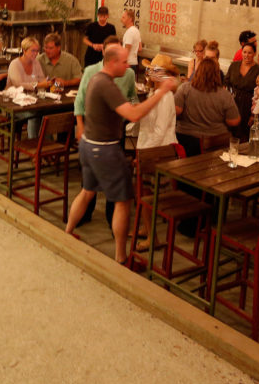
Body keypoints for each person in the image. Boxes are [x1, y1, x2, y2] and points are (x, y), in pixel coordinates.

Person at [64, 44, 176, 265]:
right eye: (124, 62)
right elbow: (133, 114)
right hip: (104, 149)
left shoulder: (97, 78)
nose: (128, 65)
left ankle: (66, 234)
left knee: (87, 191)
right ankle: (121, 258)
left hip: (88, 144)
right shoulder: (106, 85)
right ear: (112, 62)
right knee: (123, 202)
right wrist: (162, 92)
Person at [73, 35, 138, 228]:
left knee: (114, 187)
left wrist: (129, 111)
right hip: (95, 133)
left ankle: (112, 221)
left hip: (115, 131)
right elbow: (80, 99)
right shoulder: (93, 71)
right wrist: (80, 125)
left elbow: (132, 98)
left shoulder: (128, 74)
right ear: (106, 54)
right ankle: (85, 215)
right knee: (89, 185)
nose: (123, 62)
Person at [174, 57, 240, 156]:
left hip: (185, 139)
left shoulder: (184, 88)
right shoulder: (224, 95)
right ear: (217, 74)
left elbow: (176, 110)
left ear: (198, 71)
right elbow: (234, 121)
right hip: (215, 142)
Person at [136, 54, 179, 150]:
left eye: (156, 70)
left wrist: (144, 153)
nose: (151, 72)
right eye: (151, 69)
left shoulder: (166, 96)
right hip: (150, 146)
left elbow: (160, 132)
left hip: (162, 150)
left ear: (166, 75)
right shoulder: (153, 92)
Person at [225, 42, 259, 140]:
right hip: (232, 103)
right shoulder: (234, 65)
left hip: (248, 107)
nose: (246, 55)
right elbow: (226, 83)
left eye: (249, 53)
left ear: (254, 54)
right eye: (244, 52)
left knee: (243, 136)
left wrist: (253, 115)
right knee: (228, 133)